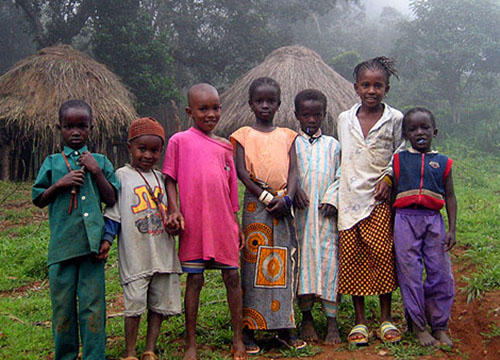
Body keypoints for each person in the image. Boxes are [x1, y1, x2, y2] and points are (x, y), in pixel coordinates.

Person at [162, 83, 246, 360]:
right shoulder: (179, 141)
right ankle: (191, 344)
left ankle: (238, 339)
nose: (211, 114)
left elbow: (232, 188)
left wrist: (236, 224)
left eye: (215, 108)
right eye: (203, 109)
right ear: (190, 111)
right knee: (194, 280)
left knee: (232, 276)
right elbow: (170, 179)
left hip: (222, 221)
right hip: (193, 222)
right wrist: (175, 211)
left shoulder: (225, 146)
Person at [32, 99, 119, 360]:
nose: (76, 132)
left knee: (93, 307)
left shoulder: (100, 161)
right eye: (69, 127)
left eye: (82, 126)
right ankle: (65, 355)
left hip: (92, 249)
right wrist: (60, 184)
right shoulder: (51, 163)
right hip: (61, 249)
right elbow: (38, 199)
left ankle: (94, 355)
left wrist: (96, 172)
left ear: (91, 128)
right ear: (59, 128)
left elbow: (112, 198)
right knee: (63, 308)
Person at [231, 77, 306, 354]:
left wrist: (286, 198)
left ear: (278, 103)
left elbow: (294, 171)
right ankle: (250, 328)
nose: (265, 105)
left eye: (270, 101)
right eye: (259, 100)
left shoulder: (288, 135)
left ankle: (284, 326)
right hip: (256, 204)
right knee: (253, 265)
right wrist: (265, 197)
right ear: (251, 103)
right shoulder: (242, 135)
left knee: (283, 263)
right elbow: (241, 172)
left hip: (284, 203)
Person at [335, 57, 405, 345]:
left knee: (382, 256)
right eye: (366, 85)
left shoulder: (395, 119)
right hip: (350, 200)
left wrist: (389, 178)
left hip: (379, 200)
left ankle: (386, 317)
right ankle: (360, 320)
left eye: (378, 85)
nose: (372, 90)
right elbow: (342, 160)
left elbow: (401, 152)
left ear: (386, 88)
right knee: (352, 259)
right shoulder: (344, 119)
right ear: (356, 88)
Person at [103, 117, 182, 360]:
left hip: (162, 252)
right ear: (130, 148)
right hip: (136, 255)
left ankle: (149, 348)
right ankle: (129, 352)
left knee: (158, 304)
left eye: (155, 150)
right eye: (142, 149)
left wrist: (174, 225)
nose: (148, 155)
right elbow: (113, 214)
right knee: (134, 304)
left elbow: (173, 213)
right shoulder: (122, 176)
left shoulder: (162, 180)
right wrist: (107, 240)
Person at [392, 107, 457, 347]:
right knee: (410, 273)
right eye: (413, 129)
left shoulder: (443, 163)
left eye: (425, 127)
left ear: (434, 131)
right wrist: (392, 227)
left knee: (440, 272)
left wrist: (451, 229)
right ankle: (418, 326)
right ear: (406, 134)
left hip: (433, 220)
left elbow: (450, 197)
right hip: (405, 220)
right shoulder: (399, 160)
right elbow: (393, 194)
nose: (419, 132)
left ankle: (439, 325)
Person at [293, 89, 341, 345]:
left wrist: (332, 199)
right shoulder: (291, 144)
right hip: (299, 218)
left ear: (324, 115)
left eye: (316, 115)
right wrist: (294, 191)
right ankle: (307, 318)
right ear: (297, 115)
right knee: (302, 266)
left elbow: (342, 174)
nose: (311, 120)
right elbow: (285, 173)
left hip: (325, 217)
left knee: (329, 265)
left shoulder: (333, 145)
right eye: (306, 115)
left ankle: (332, 322)